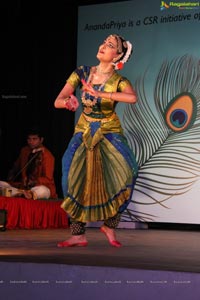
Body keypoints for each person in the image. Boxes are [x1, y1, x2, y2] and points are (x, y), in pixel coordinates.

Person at [54, 34, 138, 247]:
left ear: (117, 56)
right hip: (83, 131)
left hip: (109, 131)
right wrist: (69, 103)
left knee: (129, 173)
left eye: (110, 45)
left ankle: (109, 225)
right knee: (70, 178)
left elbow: (132, 97)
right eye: (104, 42)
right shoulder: (81, 73)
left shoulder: (119, 81)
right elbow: (58, 100)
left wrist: (101, 95)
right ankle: (77, 234)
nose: (103, 46)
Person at [0, 128, 57, 200]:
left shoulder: (48, 156)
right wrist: (11, 174)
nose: (31, 142)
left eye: (34, 139)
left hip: (38, 187)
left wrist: (35, 181)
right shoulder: (24, 151)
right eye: (29, 139)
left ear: (41, 140)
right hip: (23, 187)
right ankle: (20, 194)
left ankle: (27, 194)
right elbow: (16, 166)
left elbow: (48, 179)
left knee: (44, 191)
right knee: (1, 183)